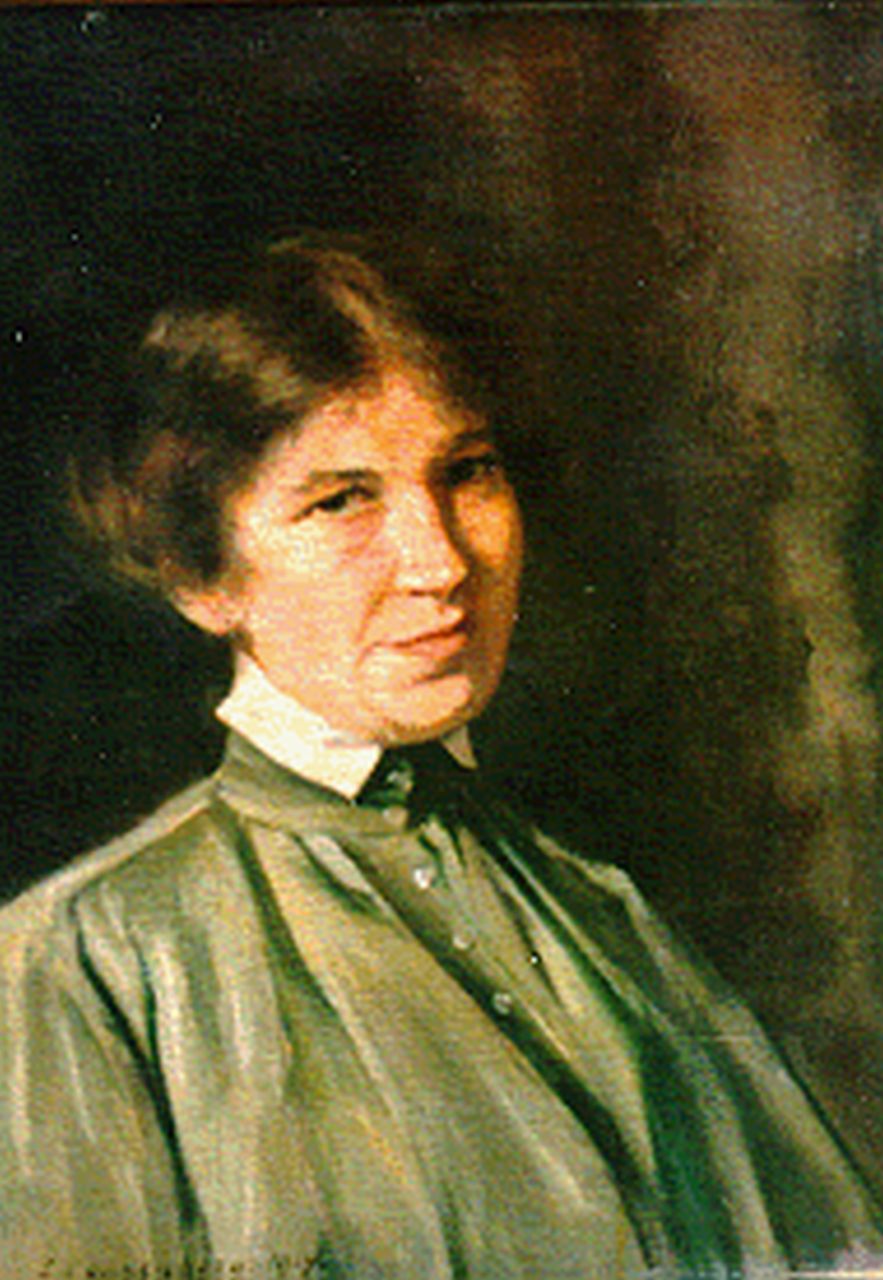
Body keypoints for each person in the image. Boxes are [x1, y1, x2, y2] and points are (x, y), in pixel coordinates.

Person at [1, 233, 880, 1280]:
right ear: (203, 578)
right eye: (342, 499)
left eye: (466, 473)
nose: (441, 562)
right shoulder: (83, 964)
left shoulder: (602, 913)